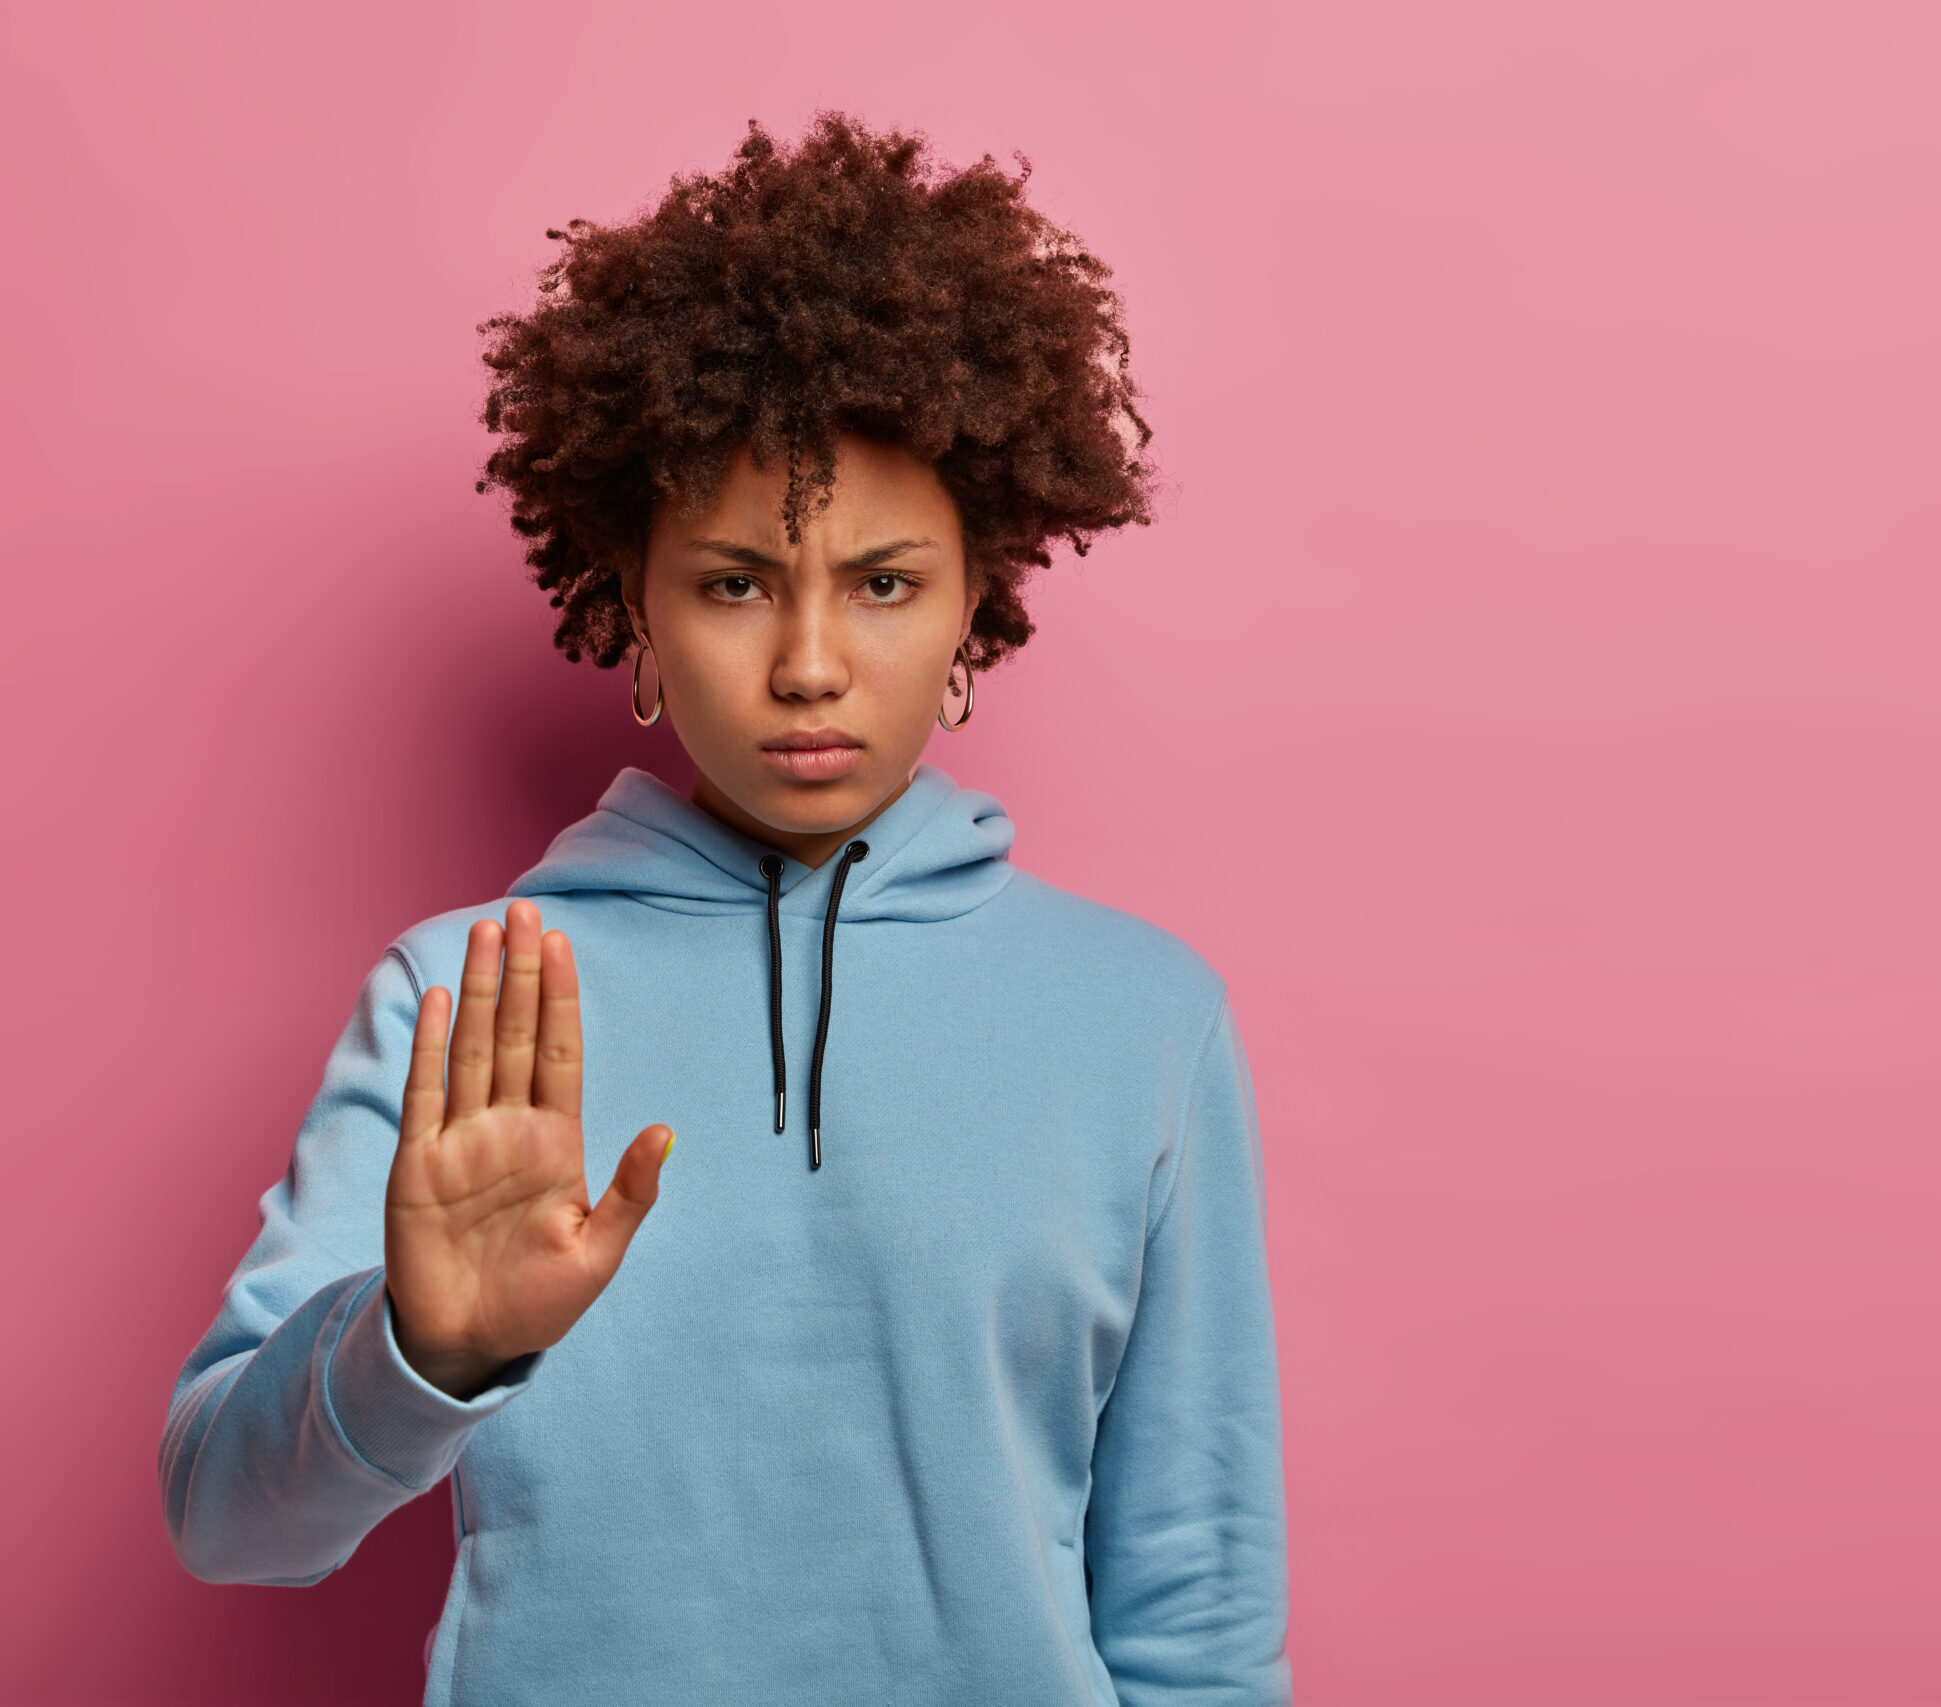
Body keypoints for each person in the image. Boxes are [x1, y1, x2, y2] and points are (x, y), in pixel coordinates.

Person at [157, 114, 1290, 1707]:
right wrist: (421, 1354)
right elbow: (225, 1525)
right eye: (737, 581)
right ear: (636, 603)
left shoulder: (1144, 1019)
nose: (809, 664)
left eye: (884, 584)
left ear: (983, 596)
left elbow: (1200, 1610)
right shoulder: (467, 996)